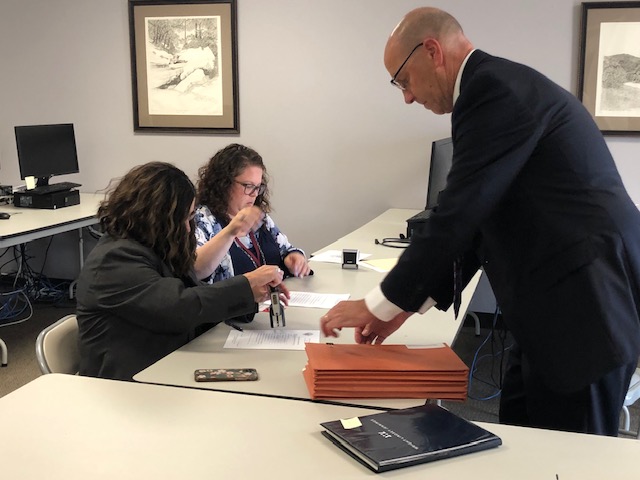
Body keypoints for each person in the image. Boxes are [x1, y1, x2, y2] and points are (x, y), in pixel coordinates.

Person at [321, 7, 640, 436]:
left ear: (431, 51)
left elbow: (458, 213)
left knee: (570, 455)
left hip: (583, 308)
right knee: (523, 436)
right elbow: (478, 221)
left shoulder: (492, 91)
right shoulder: (495, 88)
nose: (407, 97)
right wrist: (405, 308)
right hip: (553, 303)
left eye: (403, 79)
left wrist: (378, 304)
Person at [76, 162, 289, 381]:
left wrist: (251, 293)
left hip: (164, 365)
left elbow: (193, 289)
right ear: (155, 216)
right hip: (127, 384)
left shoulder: (152, 246)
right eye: (183, 219)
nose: (188, 228)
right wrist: (245, 286)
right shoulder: (114, 260)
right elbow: (178, 306)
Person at [193, 143, 311, 285]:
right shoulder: (202, 219)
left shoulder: (257, 216)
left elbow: (286, 248)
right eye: (248, 186)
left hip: (271, 301)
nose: (254, 194)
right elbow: (196, 269)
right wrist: (232, 230)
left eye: (258, 187)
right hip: (233, 304)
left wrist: (294, 257)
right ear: (224, 183)